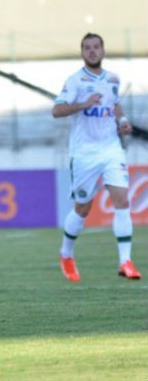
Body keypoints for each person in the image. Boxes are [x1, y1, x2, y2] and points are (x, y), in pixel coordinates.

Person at [53, 32, 142, 282]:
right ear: (82, 53)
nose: (92, 51)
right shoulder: (75, 81)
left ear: (103, 51)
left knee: (122, 200)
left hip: (111, 149)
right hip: (84, 154)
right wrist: (83, 104)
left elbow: (114, 104)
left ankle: (125, 261)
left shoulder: (114, 79)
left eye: (96, 47)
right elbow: (57, 110)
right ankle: (66, 254)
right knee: (83, 207)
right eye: (87, 48)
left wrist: (122, 121)